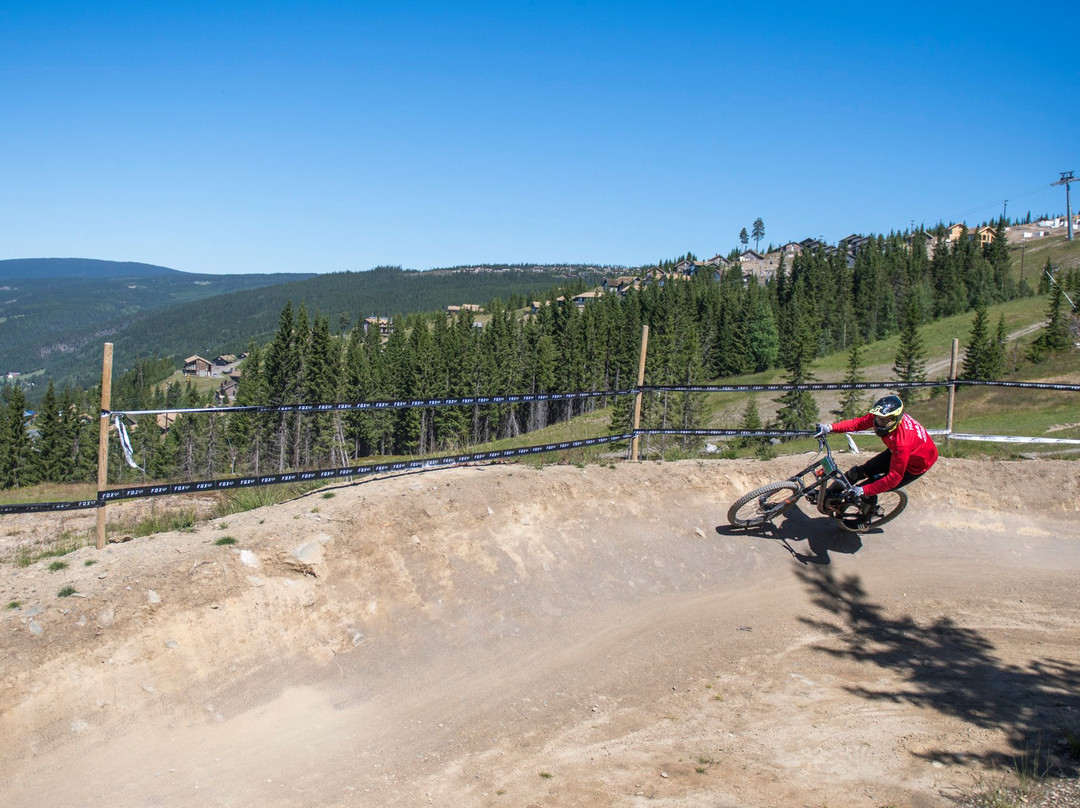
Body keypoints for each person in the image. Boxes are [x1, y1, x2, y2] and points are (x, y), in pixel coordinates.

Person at [814, 394, 939, 503]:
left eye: (884, 421)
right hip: (897, 452)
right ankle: (826, 495)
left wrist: (863, 490)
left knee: (867, 488)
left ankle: (864, 520)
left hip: (915, 465)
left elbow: (894, 478)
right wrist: (830, 427)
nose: (879, 423)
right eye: (878, 419)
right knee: (856, 473)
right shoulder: (881, 416)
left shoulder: (902, 442)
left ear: (896, 420)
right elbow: (857, 423)